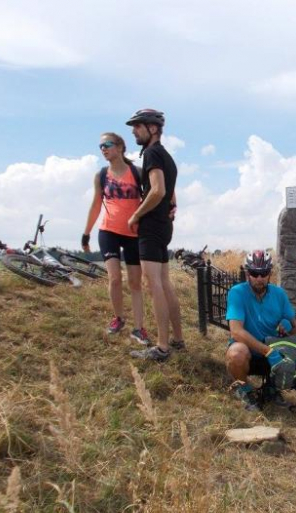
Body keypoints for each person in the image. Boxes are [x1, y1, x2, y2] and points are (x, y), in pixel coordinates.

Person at [225, 250, 296, 411]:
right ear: (247, 273)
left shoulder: (279, 294)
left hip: (278, 354)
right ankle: (245, 390)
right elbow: (236, 331)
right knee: (236, 353)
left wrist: (286, 323)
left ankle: (272, 388)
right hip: (252, 353)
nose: (259, 278)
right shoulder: (237, 293)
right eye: (254, 273)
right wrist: (268, 352)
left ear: (270, 273)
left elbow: (295, 328)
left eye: (264, 273)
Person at [124, 109, 185, 362]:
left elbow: (158, 190)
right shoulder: (166, 156)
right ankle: (178, 339)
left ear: (152, 128)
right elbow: (170, 194)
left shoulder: (151, 153)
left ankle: (161, 347)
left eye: (137, 126)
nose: (133, 131)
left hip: (151, 226)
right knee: (164, 283)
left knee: (154, 285)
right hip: (163, 225)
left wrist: (136, 215)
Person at [81, 132, 150, 345]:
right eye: (100, 146)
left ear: (120, 147)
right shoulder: (101, 175)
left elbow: (153, 196)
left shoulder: (137, 173)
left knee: (135, 282)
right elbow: (95, 205)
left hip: (133, 234)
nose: (103, 149)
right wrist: (86, 233)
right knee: (114, 279)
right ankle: (118, 318)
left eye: (107, 145)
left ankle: (139, 328)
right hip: (108, 231)